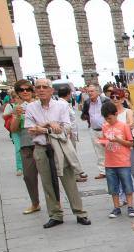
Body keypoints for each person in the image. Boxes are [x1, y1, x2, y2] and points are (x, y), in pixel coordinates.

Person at [25, 78, 91, 229]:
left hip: (60, 148)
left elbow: (66, 128)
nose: (41, 89)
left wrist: (42, 129)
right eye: (38, 87)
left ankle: (80, 212)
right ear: (35, 90)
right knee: (47, 183)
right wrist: (49, 124)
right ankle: (55, 215)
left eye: (44, 87)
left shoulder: (61, 105)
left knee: (69, 181)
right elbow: (30, 130)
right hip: (41, 148)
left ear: (51, 90)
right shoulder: (31, 107)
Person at [6, 80, 41, 214]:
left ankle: (56, 203)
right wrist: (17, 115)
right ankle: (35, 203)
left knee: (48, 175)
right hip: (26, 145)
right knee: (29, 176)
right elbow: (13, 130)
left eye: (28, 89)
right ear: (18, 93)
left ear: (32, 91)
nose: (25, 92)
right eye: (21, 90)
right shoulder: (16, 108)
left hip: (41, 143)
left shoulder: (39, 105)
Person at [111, 88, 134, 206]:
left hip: (129, 145)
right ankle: (123, 197)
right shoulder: (110, 113)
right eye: (112, 97)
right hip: (116, 147)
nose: (115, 99)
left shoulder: (128, 111)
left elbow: (130, 125)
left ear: (123, 99)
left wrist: (116, 130)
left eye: (118, 97)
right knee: (120, 173)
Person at [101, 100, 134, 218]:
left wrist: (118, 140)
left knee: (127, 185)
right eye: (106, 119)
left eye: (110, 118)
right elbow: (103, 139)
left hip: (123, 161)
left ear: (116, 114)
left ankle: (130, 206)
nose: (108, 121)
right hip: (109, 162)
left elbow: (130, 143)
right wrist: (103, 142)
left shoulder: (123, 126)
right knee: (113, 187)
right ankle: (116, 207)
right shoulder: (104, 126)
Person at [81, 84, 108, 179]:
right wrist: (85, 117)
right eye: (89, 91)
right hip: (94, 131)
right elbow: (83, 115)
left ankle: (111, 169)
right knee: (99, 151)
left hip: (105, 130)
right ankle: (102, 171)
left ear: (98, 92)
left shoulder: (105, 101)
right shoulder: (87, 102)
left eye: (92, 91)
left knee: (107, 149)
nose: (90, 93)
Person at [2, 89, 25, 178]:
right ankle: (19, 168)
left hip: (25, 129)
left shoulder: (27, 105)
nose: (18, 99)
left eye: (20, 97)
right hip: (15, 131)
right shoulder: (10, 106)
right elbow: (4, 116)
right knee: (18, 148)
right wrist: (14, 111)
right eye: (16, 98)